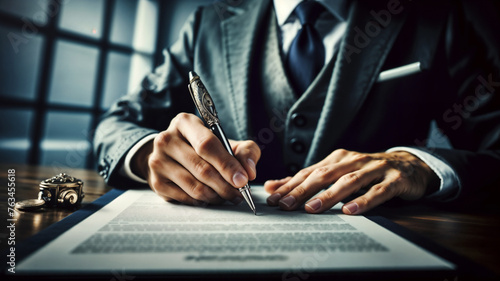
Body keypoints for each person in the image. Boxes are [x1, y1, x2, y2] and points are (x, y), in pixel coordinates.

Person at [94, 0, 500, 215]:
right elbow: (116, 125)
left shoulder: (441, 16)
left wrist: (421, 166)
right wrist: (149, 152)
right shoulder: (208, 24)